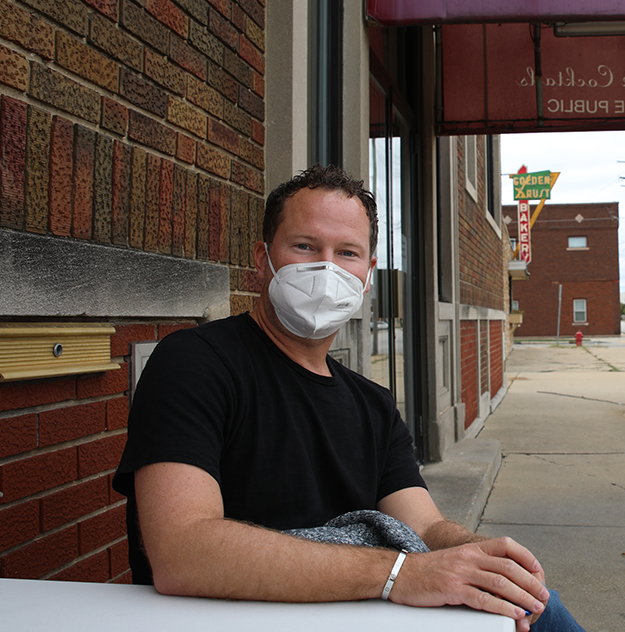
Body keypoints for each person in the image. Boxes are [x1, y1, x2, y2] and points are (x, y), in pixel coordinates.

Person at [115, 165, 582, 632]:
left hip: (360, 616)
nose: (327, 268)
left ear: (367, 274)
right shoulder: (195, 363)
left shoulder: (373, 405)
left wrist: (478, 558)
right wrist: (399, 574)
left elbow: (424, 527)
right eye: (304, 246)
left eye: (347, 253)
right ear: (262, 259)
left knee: (542, 608)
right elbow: (181, 552)